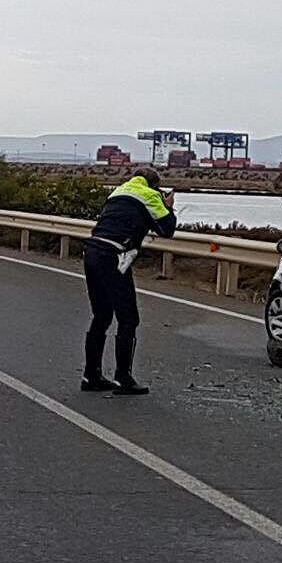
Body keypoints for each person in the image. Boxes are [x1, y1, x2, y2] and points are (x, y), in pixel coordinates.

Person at [82, 167, 176, 395]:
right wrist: (168, 206)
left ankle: (90, 375)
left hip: (92, 251)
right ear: (154, 185)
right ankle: (123, 378)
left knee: (102, 315)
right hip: (114, 255)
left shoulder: (118, 191)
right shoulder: (151, 196)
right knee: (128, 318)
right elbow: (167, 229)